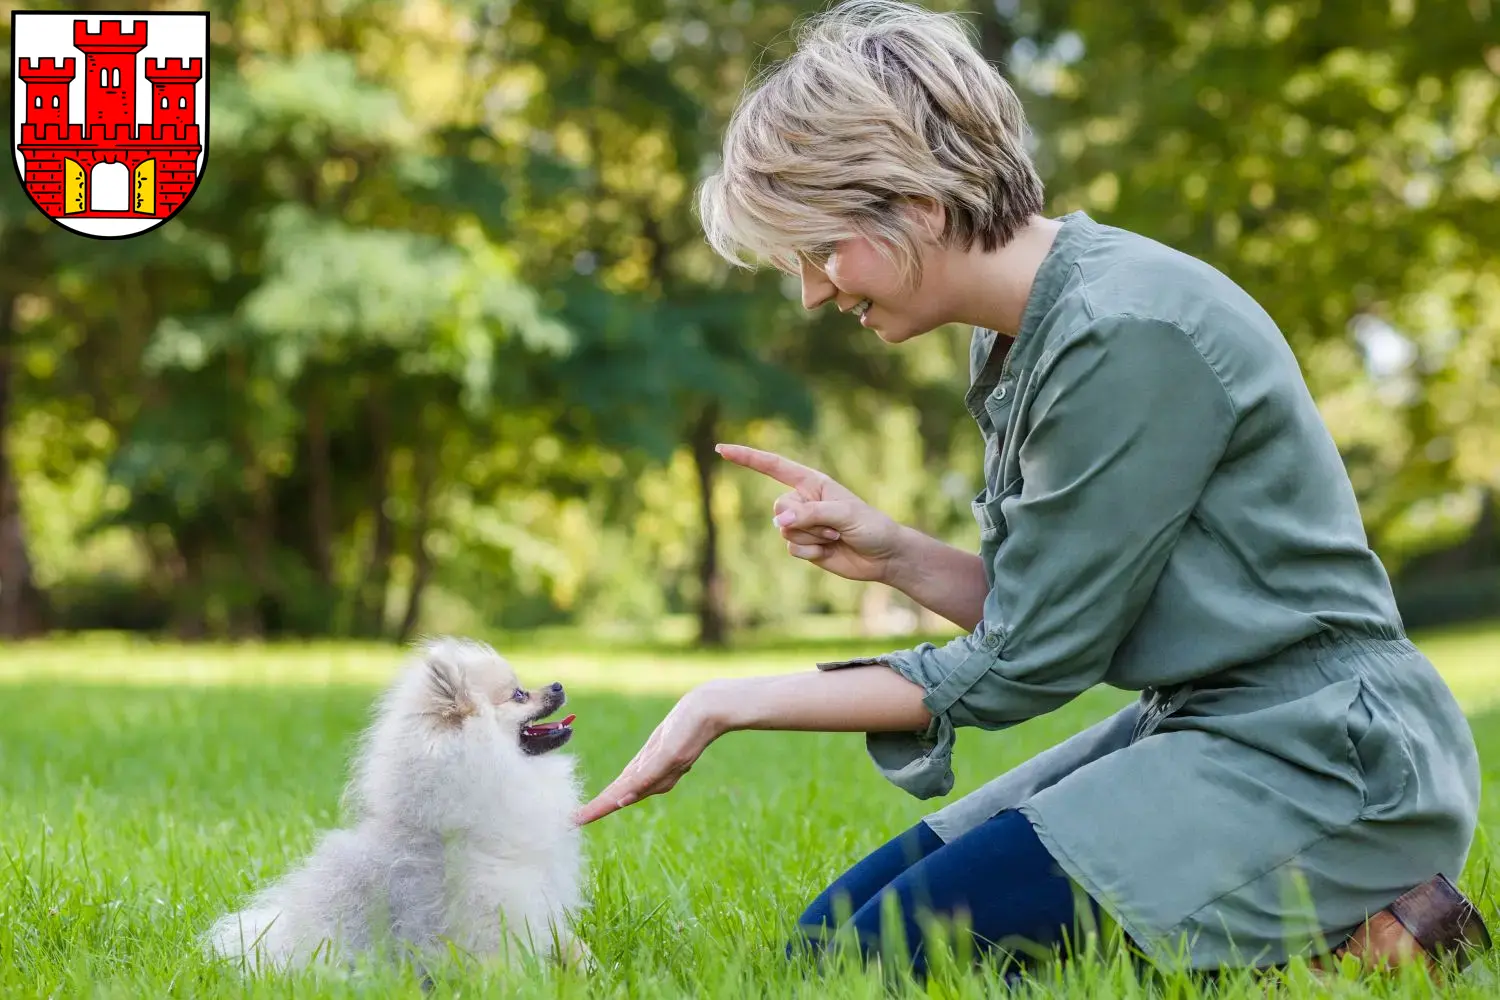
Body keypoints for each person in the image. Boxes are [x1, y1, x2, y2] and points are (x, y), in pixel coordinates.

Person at [573, 0, 1488, 982]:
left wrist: (731, 700)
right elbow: (1062, 612)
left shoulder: (1123, 330)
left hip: (1328, 762)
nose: (813, 292)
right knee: (831, 945)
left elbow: (1023, 667)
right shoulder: (1031, 329)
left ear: (916, 205)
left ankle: (1359, 932)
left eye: (822, 249)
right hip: (1203, 727)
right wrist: (894, 552)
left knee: (889, 964)